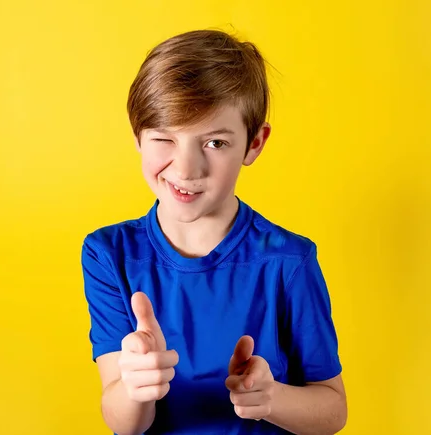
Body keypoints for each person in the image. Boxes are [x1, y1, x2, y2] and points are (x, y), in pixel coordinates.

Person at [81, 29, 347, 435]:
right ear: (138, 136)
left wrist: (272, 399)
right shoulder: (108, 254)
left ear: (254, 144)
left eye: (216, 143)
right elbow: (125, 425)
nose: (186, 169)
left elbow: (332, 410)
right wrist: (137, 386)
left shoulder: (289, 261)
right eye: (164, 138)